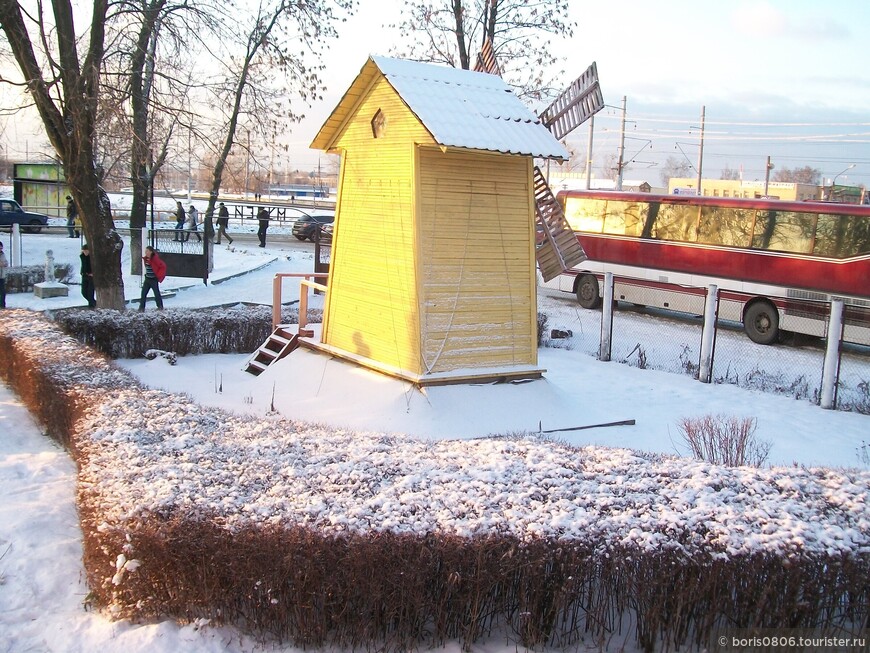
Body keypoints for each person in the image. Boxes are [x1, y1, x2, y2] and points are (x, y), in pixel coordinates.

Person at [139, 246, 166, 311]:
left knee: (156, 293)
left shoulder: (155, 258)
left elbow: (162, 266)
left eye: (147, 251)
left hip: (153, 279)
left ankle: (160, 306)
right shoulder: (146, 259)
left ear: (151, 252)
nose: (146, 252)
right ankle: (141, 308)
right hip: (147, 279)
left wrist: (158, 276)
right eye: (145, 251)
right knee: (143, 293)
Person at [80, 243, 96, 308]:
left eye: (86, 251)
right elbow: (83, 266)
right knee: (84, 292)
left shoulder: (92, 257)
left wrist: (93, 273)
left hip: (91, 276)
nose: (85, 252)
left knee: (90, 292)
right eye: (84, 251)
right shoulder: (82, 257)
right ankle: (94, 303)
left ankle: (92, 305)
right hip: (84, 275)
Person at [0, 240, 7, 309]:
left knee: (2, 292)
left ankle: (2, 305)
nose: (0, 249)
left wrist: (4, 264)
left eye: (1, 248)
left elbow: (5, 262)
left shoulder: (3, 254)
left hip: (2, 276)